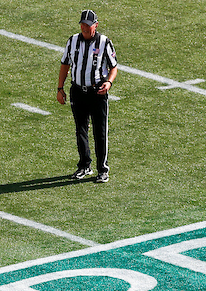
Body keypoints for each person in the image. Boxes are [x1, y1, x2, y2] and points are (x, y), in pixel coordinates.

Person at [57, 9, 119, 183]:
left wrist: (109, 83)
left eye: (88, 25)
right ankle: (84, 166)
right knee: (81, 130)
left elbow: (113, 66)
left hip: (97, 91)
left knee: (100, 132)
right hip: (77, 90)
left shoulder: (104, 42)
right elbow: (65, 64)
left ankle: (103, 169)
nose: (84, 28)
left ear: (95, 25)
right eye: (82, 24)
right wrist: (60, 88)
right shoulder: (73, 41)